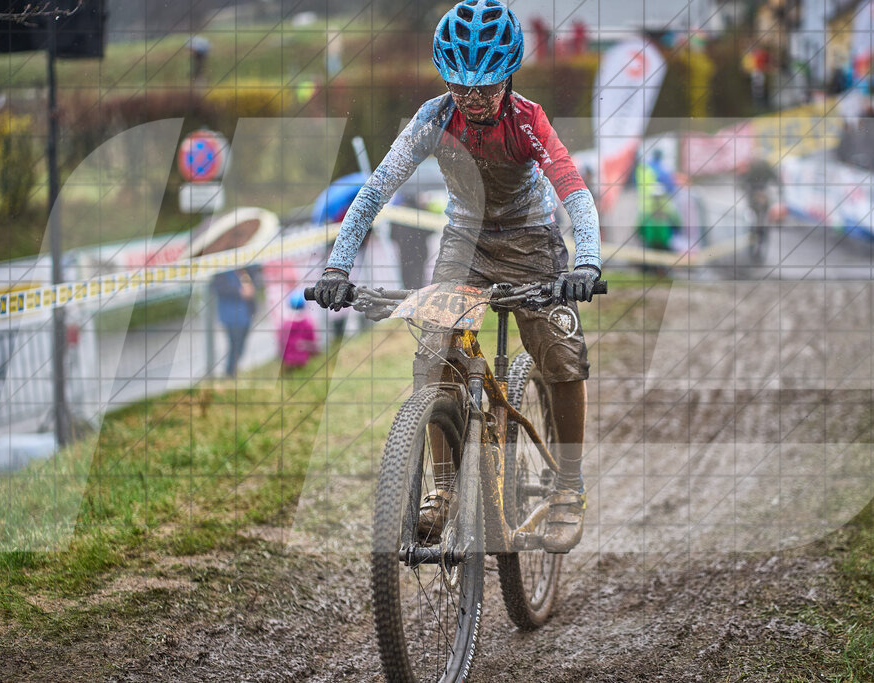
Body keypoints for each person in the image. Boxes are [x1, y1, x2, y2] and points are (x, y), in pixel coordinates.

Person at [312, 0, 602, 554]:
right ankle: (442, 489)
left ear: (508, 76)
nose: (471, 98)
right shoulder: (432, 118)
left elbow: (575, 192)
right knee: (435, 352)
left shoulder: (527, 120)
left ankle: (568, 487)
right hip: (464, 245)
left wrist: (586, 261)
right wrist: (337, 265)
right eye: (459, 85)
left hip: (530, 244)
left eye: (485, 86)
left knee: (561, 352)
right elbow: (375, 190)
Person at [212, 264, 263, 378]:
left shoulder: (247, 267)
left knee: (240, 347)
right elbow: (218, 287)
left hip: (246, 313)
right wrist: (239, 291)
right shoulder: (221, 269)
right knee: (235, 346)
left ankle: (233, 371)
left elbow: (256, 275)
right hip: (230, 315)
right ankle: (230, 374)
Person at [278, 290, 319, 374]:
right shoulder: (308, 323)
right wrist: (314, 352)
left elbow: (281, 341)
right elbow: (312, 341)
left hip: (288, 360)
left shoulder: (285, 324)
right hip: (303, 360)